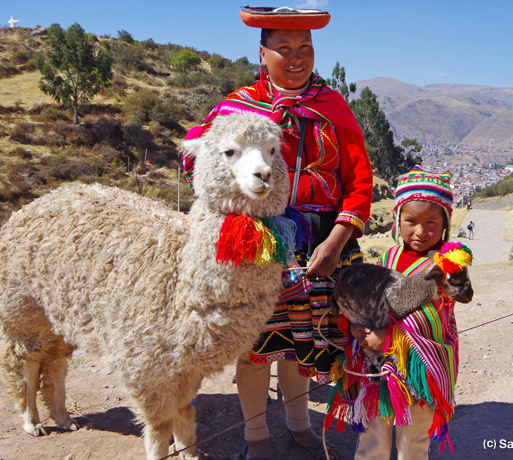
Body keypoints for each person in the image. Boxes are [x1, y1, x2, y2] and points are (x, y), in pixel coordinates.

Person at [183, 7, 373, 459]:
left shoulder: (332, 107)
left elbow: (359, 180)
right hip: (256, 243)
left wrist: (336, 240)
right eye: (283, 48)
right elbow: (201, 161)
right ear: (262, 52)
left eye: (305, 48)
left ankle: (298, 423)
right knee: (254, 345)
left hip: (324, 241)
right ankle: (256, 438)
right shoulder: (236, 108)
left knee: (300, 345)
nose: (296, 57)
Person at [325, 166, 464, 460]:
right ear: (397, 220)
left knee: (413, 440)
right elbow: (368, 303)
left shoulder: (446, 267)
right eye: (411, 221)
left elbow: (434, 317)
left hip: (419, 367)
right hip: (376, 369)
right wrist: (355, 327)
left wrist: (389, 337)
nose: (420, 231)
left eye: (431, 222)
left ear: (446, 224)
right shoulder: (387, 259)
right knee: (373, 433)